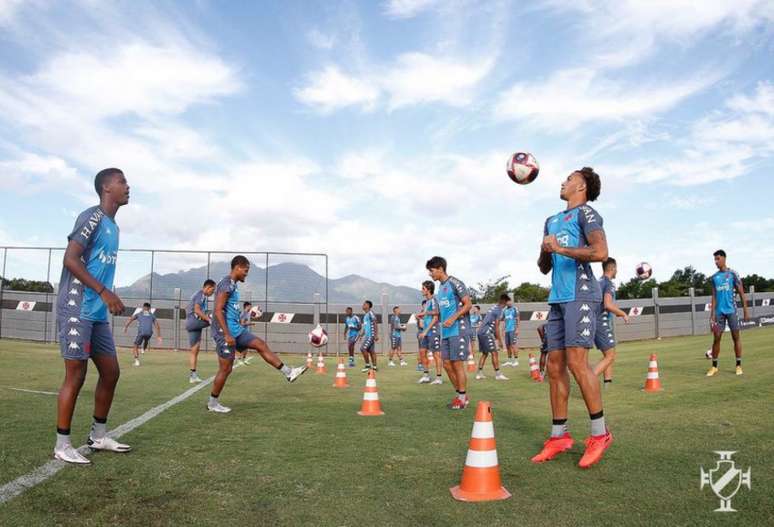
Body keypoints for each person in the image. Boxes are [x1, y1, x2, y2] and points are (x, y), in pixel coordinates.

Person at [533, 167, 612, 469]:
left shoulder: (588, 214)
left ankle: (600, 434)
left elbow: (601, 251)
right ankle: (558, 437)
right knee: (554, 366)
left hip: (581, 294)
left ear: (581, 186)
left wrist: (562, 248)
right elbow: (544, 267)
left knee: (578, 363)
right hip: (557, 298)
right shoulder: (551, 220)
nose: (563, 182)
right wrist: (545, 250)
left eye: (569, 178)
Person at [54, 168, 132, 464]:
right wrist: (104, 291)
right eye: (122, 181)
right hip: (77, 307)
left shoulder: (114, 227)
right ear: (106, 188)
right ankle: (62, 444)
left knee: (111, 372)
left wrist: (107, 296)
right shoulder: (92, 217)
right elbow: (70, 259)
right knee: (76, 374)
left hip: (97, 312)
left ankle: (98, 437)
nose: (127, 186)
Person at [208, 256, 307, 413]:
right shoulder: (226, 284)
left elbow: (229, 310)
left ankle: (289, 372)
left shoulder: (232, 284)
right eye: (245, 271)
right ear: (237, 268)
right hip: (224, 332)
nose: (246, 274)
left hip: (236, 329)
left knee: (260, 344)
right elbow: (218, 310)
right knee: (226, 370)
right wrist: (226, 334)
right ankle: (213, 403)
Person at [426, 256, 472, 409]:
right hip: (445, 332)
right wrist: (425, 314)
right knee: (446, 364)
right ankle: (461, 395)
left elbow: (468, 304)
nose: (430, 274)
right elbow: (439, 312)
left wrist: (453, 318)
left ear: (440, 268)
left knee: (457, 364)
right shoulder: (440, 289)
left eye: (431, 271)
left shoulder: (455, 283)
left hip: (458, 329)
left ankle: (462, 398)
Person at [707, 250, 749, 377]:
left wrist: (746, 311)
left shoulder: (732, 274)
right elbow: (714, 296)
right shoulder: (714, 277)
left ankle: (738, 365)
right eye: (715, 259)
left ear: (724, 259)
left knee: (735, 338)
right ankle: (714, 367)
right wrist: (712, 314)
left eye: (718, 259)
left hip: (732, 311)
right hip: (719, 313)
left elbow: (741, 293)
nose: (716, 261)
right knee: (716, 339)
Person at [592, 258, 629, 384]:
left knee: (608, 353)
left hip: (592, 320)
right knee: (610, 355)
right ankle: (588, 380)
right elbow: (607, 304)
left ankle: (608, 383)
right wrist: (622, 313)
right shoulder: (608, 284)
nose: (617, 271)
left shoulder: (597, 282)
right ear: (612, 268)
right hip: (600, 322)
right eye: (616, 268)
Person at [186, 279, 216, 383]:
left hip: (192, 324)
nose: (213, 292)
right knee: (217, 315)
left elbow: (190, 309)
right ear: (207, 287)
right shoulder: (201, 295)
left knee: (195, 350)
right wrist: (209, 319)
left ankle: (193, 375)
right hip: (194, 322)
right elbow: (197, 310)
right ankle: (216, 340)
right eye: (212, 290)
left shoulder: (198, 295)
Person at [475, 294, 508, 381]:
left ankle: (479, 373)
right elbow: (497, 326)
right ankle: (498, 374)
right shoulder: (498, 310)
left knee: (485, 353)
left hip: (480, 332)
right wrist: (500, 340)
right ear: (504, 302)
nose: (506, 305)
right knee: (494, 353)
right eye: (506, 303)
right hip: (486, 333)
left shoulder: (493, 307)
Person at [417, 281, 442, 384]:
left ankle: (439, 378)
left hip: (433, 332)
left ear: (428, 289)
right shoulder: (426, 302)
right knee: (422, 352)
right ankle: (426, 375)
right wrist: (421, 316)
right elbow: (428, 315)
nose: (421, 290)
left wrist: (425, 331)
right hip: (425, 332)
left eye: (423, 288)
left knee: (436, 355)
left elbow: (436, 318)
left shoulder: (433, 300)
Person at [123, 302, 162, 366]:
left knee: (135, 345)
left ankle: (137, 361)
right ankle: (143, 349)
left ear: (143, 307)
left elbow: (130, 319)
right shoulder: (152, 315)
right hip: (149, 333)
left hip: (141, 332)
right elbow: (157, 325)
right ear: (149, 308)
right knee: (146, 340)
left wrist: (126, 327)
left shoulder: (139, 314)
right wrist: (159, 336)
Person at [359, 300, 379, 372]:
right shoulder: (365, 316)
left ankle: (367, 365)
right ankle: (375, 367)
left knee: (363, 348)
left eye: (364, 304)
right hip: (367, 336)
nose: (363, 305)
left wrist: (376, 335)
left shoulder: (371, 313)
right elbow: (365, 327)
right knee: (371, 351)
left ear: (368, 305)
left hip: (371, 336)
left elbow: (375, 323)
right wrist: (361, 335)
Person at [502, 297, 520, 366]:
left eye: (509, 301)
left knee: (513, 345)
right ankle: (509, 360)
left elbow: (518, 319)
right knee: (507, 345)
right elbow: (504, 320)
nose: (508, 303)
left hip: (513, 329)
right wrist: (503, 329)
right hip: (507, 330)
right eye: (506, 301)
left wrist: (517, 329)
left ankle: (516, 360)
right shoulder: (505, 310)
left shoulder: (515, 309)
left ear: (511, 301)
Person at [237, 302, 255, 366]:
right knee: (243, 347)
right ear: (246, 306)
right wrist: (251, 323)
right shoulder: (243, 313)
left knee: (247, 347)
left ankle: (243, 360)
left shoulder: (248, 313)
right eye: (250, 306)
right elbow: (242, 324)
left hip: (246, 331)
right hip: (241, 332)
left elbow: (246, 321)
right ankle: (239, 359)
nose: (251, 308)